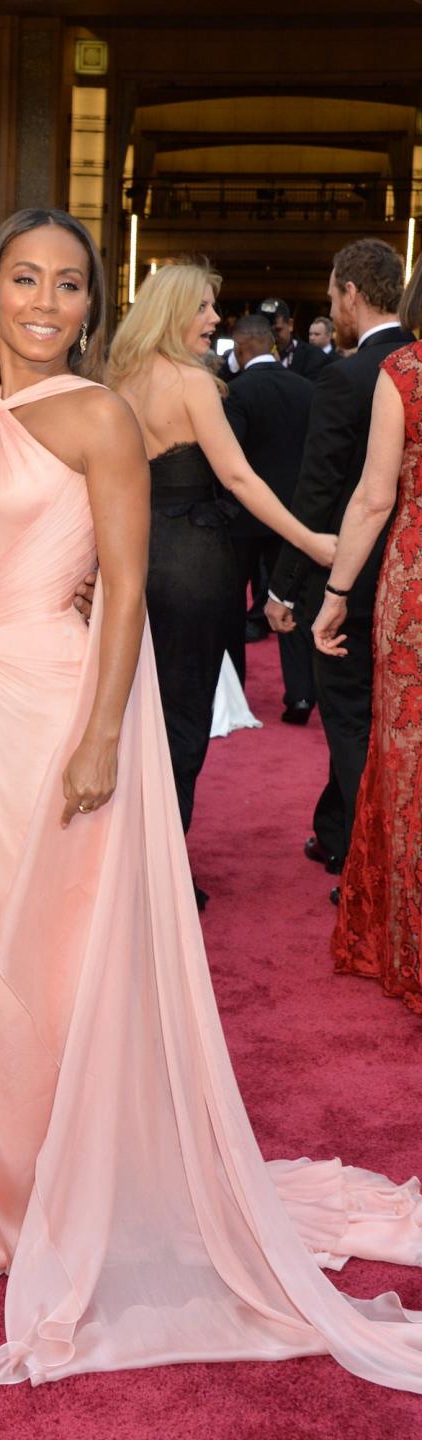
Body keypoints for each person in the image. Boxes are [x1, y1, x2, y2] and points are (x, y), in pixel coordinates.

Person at [0, 210, 422, 1395]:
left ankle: (75, 1191)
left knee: (57, 957)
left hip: (58, 710)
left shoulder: (102, 413)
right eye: (23, 279)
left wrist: (107, 731)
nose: (45, 301)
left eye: (68, 284)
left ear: (89, 306)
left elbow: (121, 591)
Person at [104, 262, 335, 849]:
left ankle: (131, 863)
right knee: (184, 716)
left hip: (128, 556)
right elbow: (238, 477)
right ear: (175, 310)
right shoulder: (191, 382)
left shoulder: (117, 379)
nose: (215, 320)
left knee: (132, 715)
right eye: (205, 307)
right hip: (190, 566)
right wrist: (311, 542)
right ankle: (166, 871)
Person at [266, 239, 415, 899]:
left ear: (351, 293)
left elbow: (325, 492)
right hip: (399, 573)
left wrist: (292, 589)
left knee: (353, 723)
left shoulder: (357, 376)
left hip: (365, 584)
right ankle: (334, 829)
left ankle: (364, 866)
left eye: (331, 295)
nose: (330, 306)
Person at [312, 261, 422, 1016]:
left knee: (407, 759)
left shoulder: (403, 373)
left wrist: (336, 593)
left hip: (413, 592)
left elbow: (375, 495)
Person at [224, 313, 316, 719]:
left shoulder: (236, 392)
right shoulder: (306, 389)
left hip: (243, 517)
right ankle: (299, 695)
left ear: (242, 348)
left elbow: (231, 457)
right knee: (289, 602)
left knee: (230, 606)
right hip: (291, 517)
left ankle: (235, 695)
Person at [258, 297, 328, 378]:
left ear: (290, 325)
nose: (272, 338)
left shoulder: (313, 357)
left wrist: (278, 369)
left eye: (277, 330)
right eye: (266, 332)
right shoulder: (252, 356)